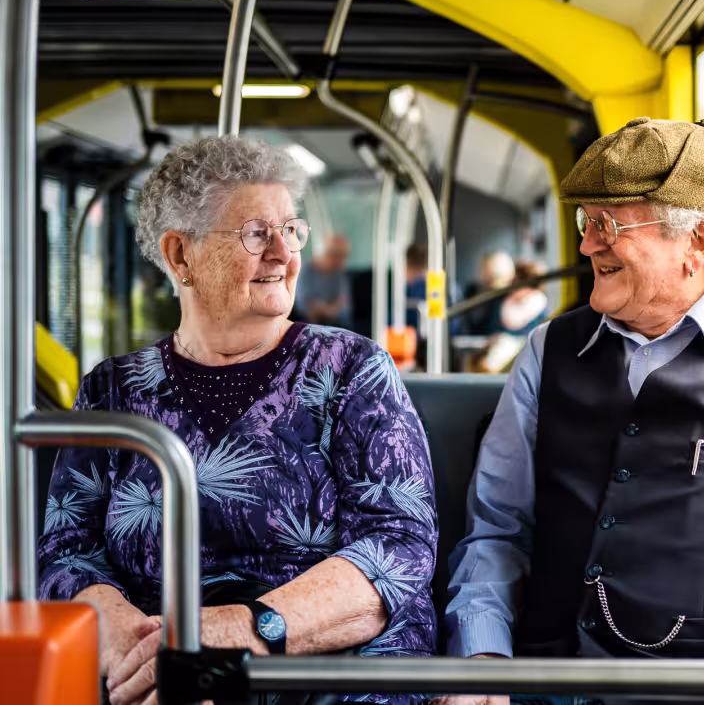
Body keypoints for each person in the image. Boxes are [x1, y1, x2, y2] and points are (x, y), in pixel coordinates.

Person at [443, 118, 704, 704]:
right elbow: (498, 528)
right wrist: (481, 658)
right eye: (585, 221)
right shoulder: (550, 349)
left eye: (609, 224)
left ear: (696, 242)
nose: (586, 244)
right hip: (537, 688)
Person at [38, 136, 438, 705]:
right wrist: (137, 647)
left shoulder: (350, 369)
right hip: (157, 667)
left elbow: (401, 545)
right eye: (256, 234)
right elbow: (65, 553)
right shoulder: (113, 389)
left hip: (322, 668)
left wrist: (230, 634)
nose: (284, 253)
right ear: (180, 256)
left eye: (291, 230)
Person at [298, 233, 354, 329]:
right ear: (323, 252)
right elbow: (303, 304)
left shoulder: (339, 275)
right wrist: (329, 309)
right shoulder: (305, 271)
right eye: (335, 255)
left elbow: (344, 309)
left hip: (336, 325)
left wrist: (322, 308)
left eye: (343, 256)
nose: (339, 260)